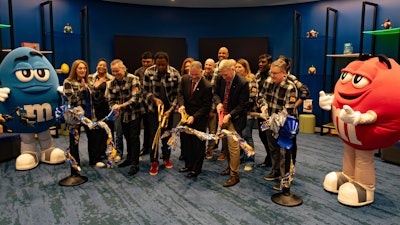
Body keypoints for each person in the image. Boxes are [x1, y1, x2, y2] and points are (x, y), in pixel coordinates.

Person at [257, 58, 298, 190]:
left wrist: (276, 121)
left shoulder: (290, 87)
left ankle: (284, 178)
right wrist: (263, 106)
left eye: (275, 73)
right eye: (271, 73)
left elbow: (289, 109)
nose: (272, 76)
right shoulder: (268, 82)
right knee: (273, 148)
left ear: (283, 73)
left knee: (285, 153)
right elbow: (261, 96)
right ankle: (275, 172)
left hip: (286, 124)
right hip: (271, 121)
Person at [143, 51, 180, 176]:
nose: (160, 67)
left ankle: (166, 157)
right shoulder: (149, 72)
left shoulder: (175, 73)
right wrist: (154, 99)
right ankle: (154, 161)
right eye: (158, 65)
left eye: (163, 65)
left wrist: (170, 110)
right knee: (154, 136)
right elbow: (145, 91)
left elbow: (177, 95)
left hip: (168, 111)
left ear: (167, 63)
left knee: (167, 134)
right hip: (153, 110)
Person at [214, 59, 249, 187]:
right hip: (222, 117)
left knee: (234, 148)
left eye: (226, 75)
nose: (224, 77)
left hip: (235, 118)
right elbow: (215, 94)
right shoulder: (220, 78)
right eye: (222, 75)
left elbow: (243, 105)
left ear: (232, 70)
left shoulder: (243, 83)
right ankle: (229, 167)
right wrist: (218, 103)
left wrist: (229, 115)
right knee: (226, 146)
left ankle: (235, 175)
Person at [63, 59, 101, 170]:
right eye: (80, 68)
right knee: (74, 139)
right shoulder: (68, 81)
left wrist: (93, 89)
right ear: (75, 69)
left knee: (93, 137)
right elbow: (71, 98)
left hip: (89, 114)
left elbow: (94, 97)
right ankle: (76, 163)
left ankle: (94, 160)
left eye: (84, 68)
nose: (83, 70)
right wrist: (82, 89)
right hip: (75, 116)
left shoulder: (90, 81)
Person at [177, 61, 212, 177]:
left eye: (196, 75)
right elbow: (180, 94)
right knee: (186, 142)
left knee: (198, 145)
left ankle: (196, 169)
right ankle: (188, 164)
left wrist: (194, 117)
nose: (193, 77)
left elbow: (206, 107)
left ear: (201, 72)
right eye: (191, 74)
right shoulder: (185, 79)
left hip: (199, 119)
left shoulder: (207, 86)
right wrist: (181, 105)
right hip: (185, 117)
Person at [108, 59, 142, 176]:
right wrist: (114, 107)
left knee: (134, 138)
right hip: (122, 116)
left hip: (134, 114)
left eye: (117, 70)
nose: (115, 73)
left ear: (123, 68)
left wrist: (120, 106)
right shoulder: (112, 83)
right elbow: (110, 99)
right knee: (127, 137)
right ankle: (129, 158)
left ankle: (135, 164)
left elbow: (135, 99)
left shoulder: (133, 79)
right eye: (113, 71)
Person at [277, 55, 310, 165]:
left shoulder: (292, 79)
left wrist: (295, 105)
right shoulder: (273, 78)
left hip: (290, 116)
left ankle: (291, 164)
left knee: (290, 141)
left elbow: (305, 91)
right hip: (277, 116)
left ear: (286, 67)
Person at [88, 58, 116, 165]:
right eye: (100, 65)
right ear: (96, 67)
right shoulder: (91, 77)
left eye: (104, 65)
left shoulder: (111, 78)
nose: (102, 67)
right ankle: (98, 154)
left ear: (107, 68)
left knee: (108, 131)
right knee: (97, 132)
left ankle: (108, 152)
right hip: (95, 109)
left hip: (107, 108)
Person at [235, 58, 258, 171]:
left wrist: (241, 109)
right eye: (236, 67)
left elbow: (253, 98)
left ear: (245, 68)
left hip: (248, 113)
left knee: (247, 136)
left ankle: (250, 160)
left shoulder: (251, 79)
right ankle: (241, 157)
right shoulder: (236, 80)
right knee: (239, 137)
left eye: (240, 67)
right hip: (237, 114)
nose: (237, 69)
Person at [134, 51, 154, 157]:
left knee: (151, 128)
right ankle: (145, 147)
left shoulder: (155, 71)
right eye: (144, 61)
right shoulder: (138, 72)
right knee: (141, 128)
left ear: (153, 61)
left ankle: (152, 147)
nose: (146, 64)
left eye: (148, 62)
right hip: (140, 104)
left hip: (151, 104)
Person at [255, 54, 273, 168]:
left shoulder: (272, 75)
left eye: (264, 62)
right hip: (259, 111)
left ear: (269, 63)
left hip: (269, 111)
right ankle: (269, 157)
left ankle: (271, 159)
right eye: (260, 62)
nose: (261, 64)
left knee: (269, 135)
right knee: (263, 135)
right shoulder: (258, 74)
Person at [212, 47, 230, 161]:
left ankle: (225, 151)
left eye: (223, 53)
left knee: (225, 130)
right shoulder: (214, 66)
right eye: (219, 53)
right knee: (216, 128)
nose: (221, 54)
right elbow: (214, 88)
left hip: (228, 105)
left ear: (228, 55)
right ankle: (214, 147)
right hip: (216, 104)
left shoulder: (230, 65)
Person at [203, 58, 218, 159]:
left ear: (214, 67)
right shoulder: (201, 75)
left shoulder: (217, 77)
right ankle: (201, 149)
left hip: (212, 109)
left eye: (210, 65)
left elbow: (215, 94)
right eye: (206, 64)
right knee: (202, 130)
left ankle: (210, 150)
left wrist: (212, 109)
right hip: (202, 109)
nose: (208, 67)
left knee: (212, 131)